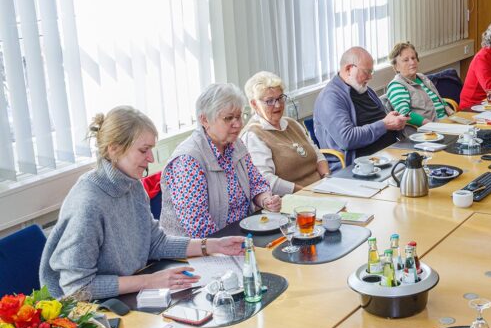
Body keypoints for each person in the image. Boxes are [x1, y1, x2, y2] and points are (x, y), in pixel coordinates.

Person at [40, 107, 244, 299]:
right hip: (83, 314)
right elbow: (78, 288)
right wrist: (150, 281)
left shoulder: (132, 185)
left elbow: (155, 243)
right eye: (143, 150)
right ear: (114, 149)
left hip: (125, 293)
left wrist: (213, 245)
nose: (151, 158)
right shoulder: (88, 203)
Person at [160, 83, 282, 237]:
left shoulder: (236, 144)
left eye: (239, 116)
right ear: (204, 120)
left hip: (240, 235)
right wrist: (232, 246)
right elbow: (198, 226)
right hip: (199, 248)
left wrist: (266, 200)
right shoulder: (188, 160)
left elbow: (256, 183)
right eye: (228, 118)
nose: (237, 124)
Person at [313, 46, 408, 171]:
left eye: (371, 72)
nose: (370, 77)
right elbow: (347, 139)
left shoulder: (364, 89)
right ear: (348, 69)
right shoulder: (331, 98)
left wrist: (396, 124)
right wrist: (385, 125)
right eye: (366, 72)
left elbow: (382, 120)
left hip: (388, 154)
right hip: (359, 166)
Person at [241, 71, 329, 195]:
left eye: (280, 98)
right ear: (254, 104)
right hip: (291, 200)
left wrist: (326, 179)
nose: (277, 105)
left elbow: (318, 156)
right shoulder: (253, 135)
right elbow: (267, 181)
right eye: (269, 101)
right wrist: (305, 192)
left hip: (319, 191)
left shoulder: (291, 124)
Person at [383, 42, 448, 132]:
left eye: (413, 58)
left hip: (447, 123)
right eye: (406, 60)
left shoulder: (422, 77)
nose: (412, 62)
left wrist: (455, 116)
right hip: (429, 130)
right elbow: (404, 114)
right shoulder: (396, 86)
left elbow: (439, 99)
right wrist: (432, 126)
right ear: (396, 67)